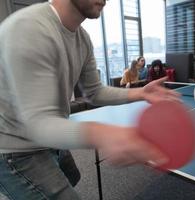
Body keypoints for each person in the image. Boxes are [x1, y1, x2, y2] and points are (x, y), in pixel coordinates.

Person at [0, 0, 180, 199]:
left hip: (50, 141)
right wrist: (102, 134)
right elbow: (38, 124)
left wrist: (141, 93)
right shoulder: (29, 28)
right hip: (13, 150)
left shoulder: (83, 39)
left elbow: (95, 92)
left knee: (72, 177)